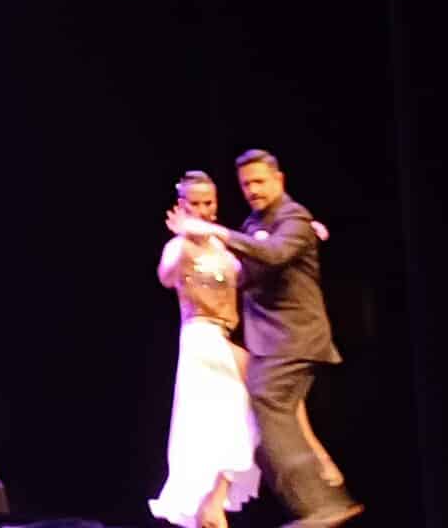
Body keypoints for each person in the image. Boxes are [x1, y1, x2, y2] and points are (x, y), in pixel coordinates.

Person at [204, 150, 361, 527]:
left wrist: (219, 233)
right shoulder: (252, 223)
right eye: (246, 184)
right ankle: (315, 504)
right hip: (271, 341)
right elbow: (249, 274)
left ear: (279, 180)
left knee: (269, 402)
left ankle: (323, 505)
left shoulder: (294, 217)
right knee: (265, 420)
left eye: (259, 181)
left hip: (295, 336)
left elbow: (274, 254)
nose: (253, 190)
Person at [152, 173, 261, 528]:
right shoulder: (179, 247)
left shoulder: (223, 244)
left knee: (233, 421)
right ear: (182, 206)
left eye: (208, 203)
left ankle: (212, 507)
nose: (202, 210)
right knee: (227, 421)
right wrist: (185, 238)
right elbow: (166, 275)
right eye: (194, 204)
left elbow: (259, 261)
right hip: (200, 338)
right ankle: (210, 505)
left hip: (224, 337)